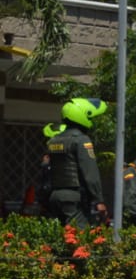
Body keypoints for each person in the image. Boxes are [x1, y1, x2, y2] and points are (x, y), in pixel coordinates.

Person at [46, 97, 108, 228]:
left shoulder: (53, 140)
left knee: (58, 238)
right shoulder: (81, 140)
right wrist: (99, 200)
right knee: (80, 239)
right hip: (74, 198)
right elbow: (90, 174)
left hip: (54, 196)